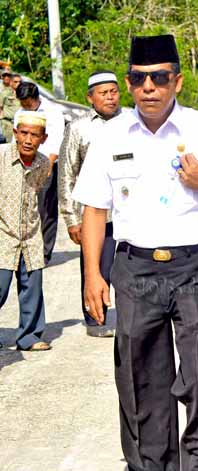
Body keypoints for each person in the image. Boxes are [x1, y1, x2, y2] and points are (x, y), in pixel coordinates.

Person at [73, 34, 198, 471]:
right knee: (140, 378)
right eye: (139, 79)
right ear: (128, 84)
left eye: (160, 78)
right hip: (135, 269)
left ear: (177, 81)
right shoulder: (110, 136)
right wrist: (92, 275)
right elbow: (94, 209)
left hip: (194, 266)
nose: (149, 87)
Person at [58, 70, 122, 338]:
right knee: (97, 267)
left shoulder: (131, 121)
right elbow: (66, 175)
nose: (110, 97)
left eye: (114, 91)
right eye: (103, 93)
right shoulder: (78, 128)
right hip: (95, 215)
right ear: (90, 97)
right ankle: (95, 318)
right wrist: (72, 219)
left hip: (129, 212)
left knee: (129, 269)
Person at [0, 111, 52, 351]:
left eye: (35, 135)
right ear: (15, 134)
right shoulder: (1, 158)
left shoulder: (43, 163)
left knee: (32, 288)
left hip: (30, 235)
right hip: (2, 235)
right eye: (24, 133)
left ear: (43, 138)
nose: (29, 140)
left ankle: (29, 336)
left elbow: (37, 190)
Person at [16, 81, 65, 266]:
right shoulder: (20, 113)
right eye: (23, 104)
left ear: (36, 99)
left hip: (47, 162)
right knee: (26, 207)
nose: (25, 108)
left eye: (28, 104)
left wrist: (48, 166)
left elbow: (57, 139)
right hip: (25, 164)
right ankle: (26, 249)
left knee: (46, 209)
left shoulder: (52, 112)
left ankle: (44, 253)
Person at [0, 74, 21, 145]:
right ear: (11, 82)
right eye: (16, 82)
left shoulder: (23, 94)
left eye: (20, 82)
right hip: (8, 124)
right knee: (7, 146)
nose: (18, 84)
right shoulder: (5, 93)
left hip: (19, 124)